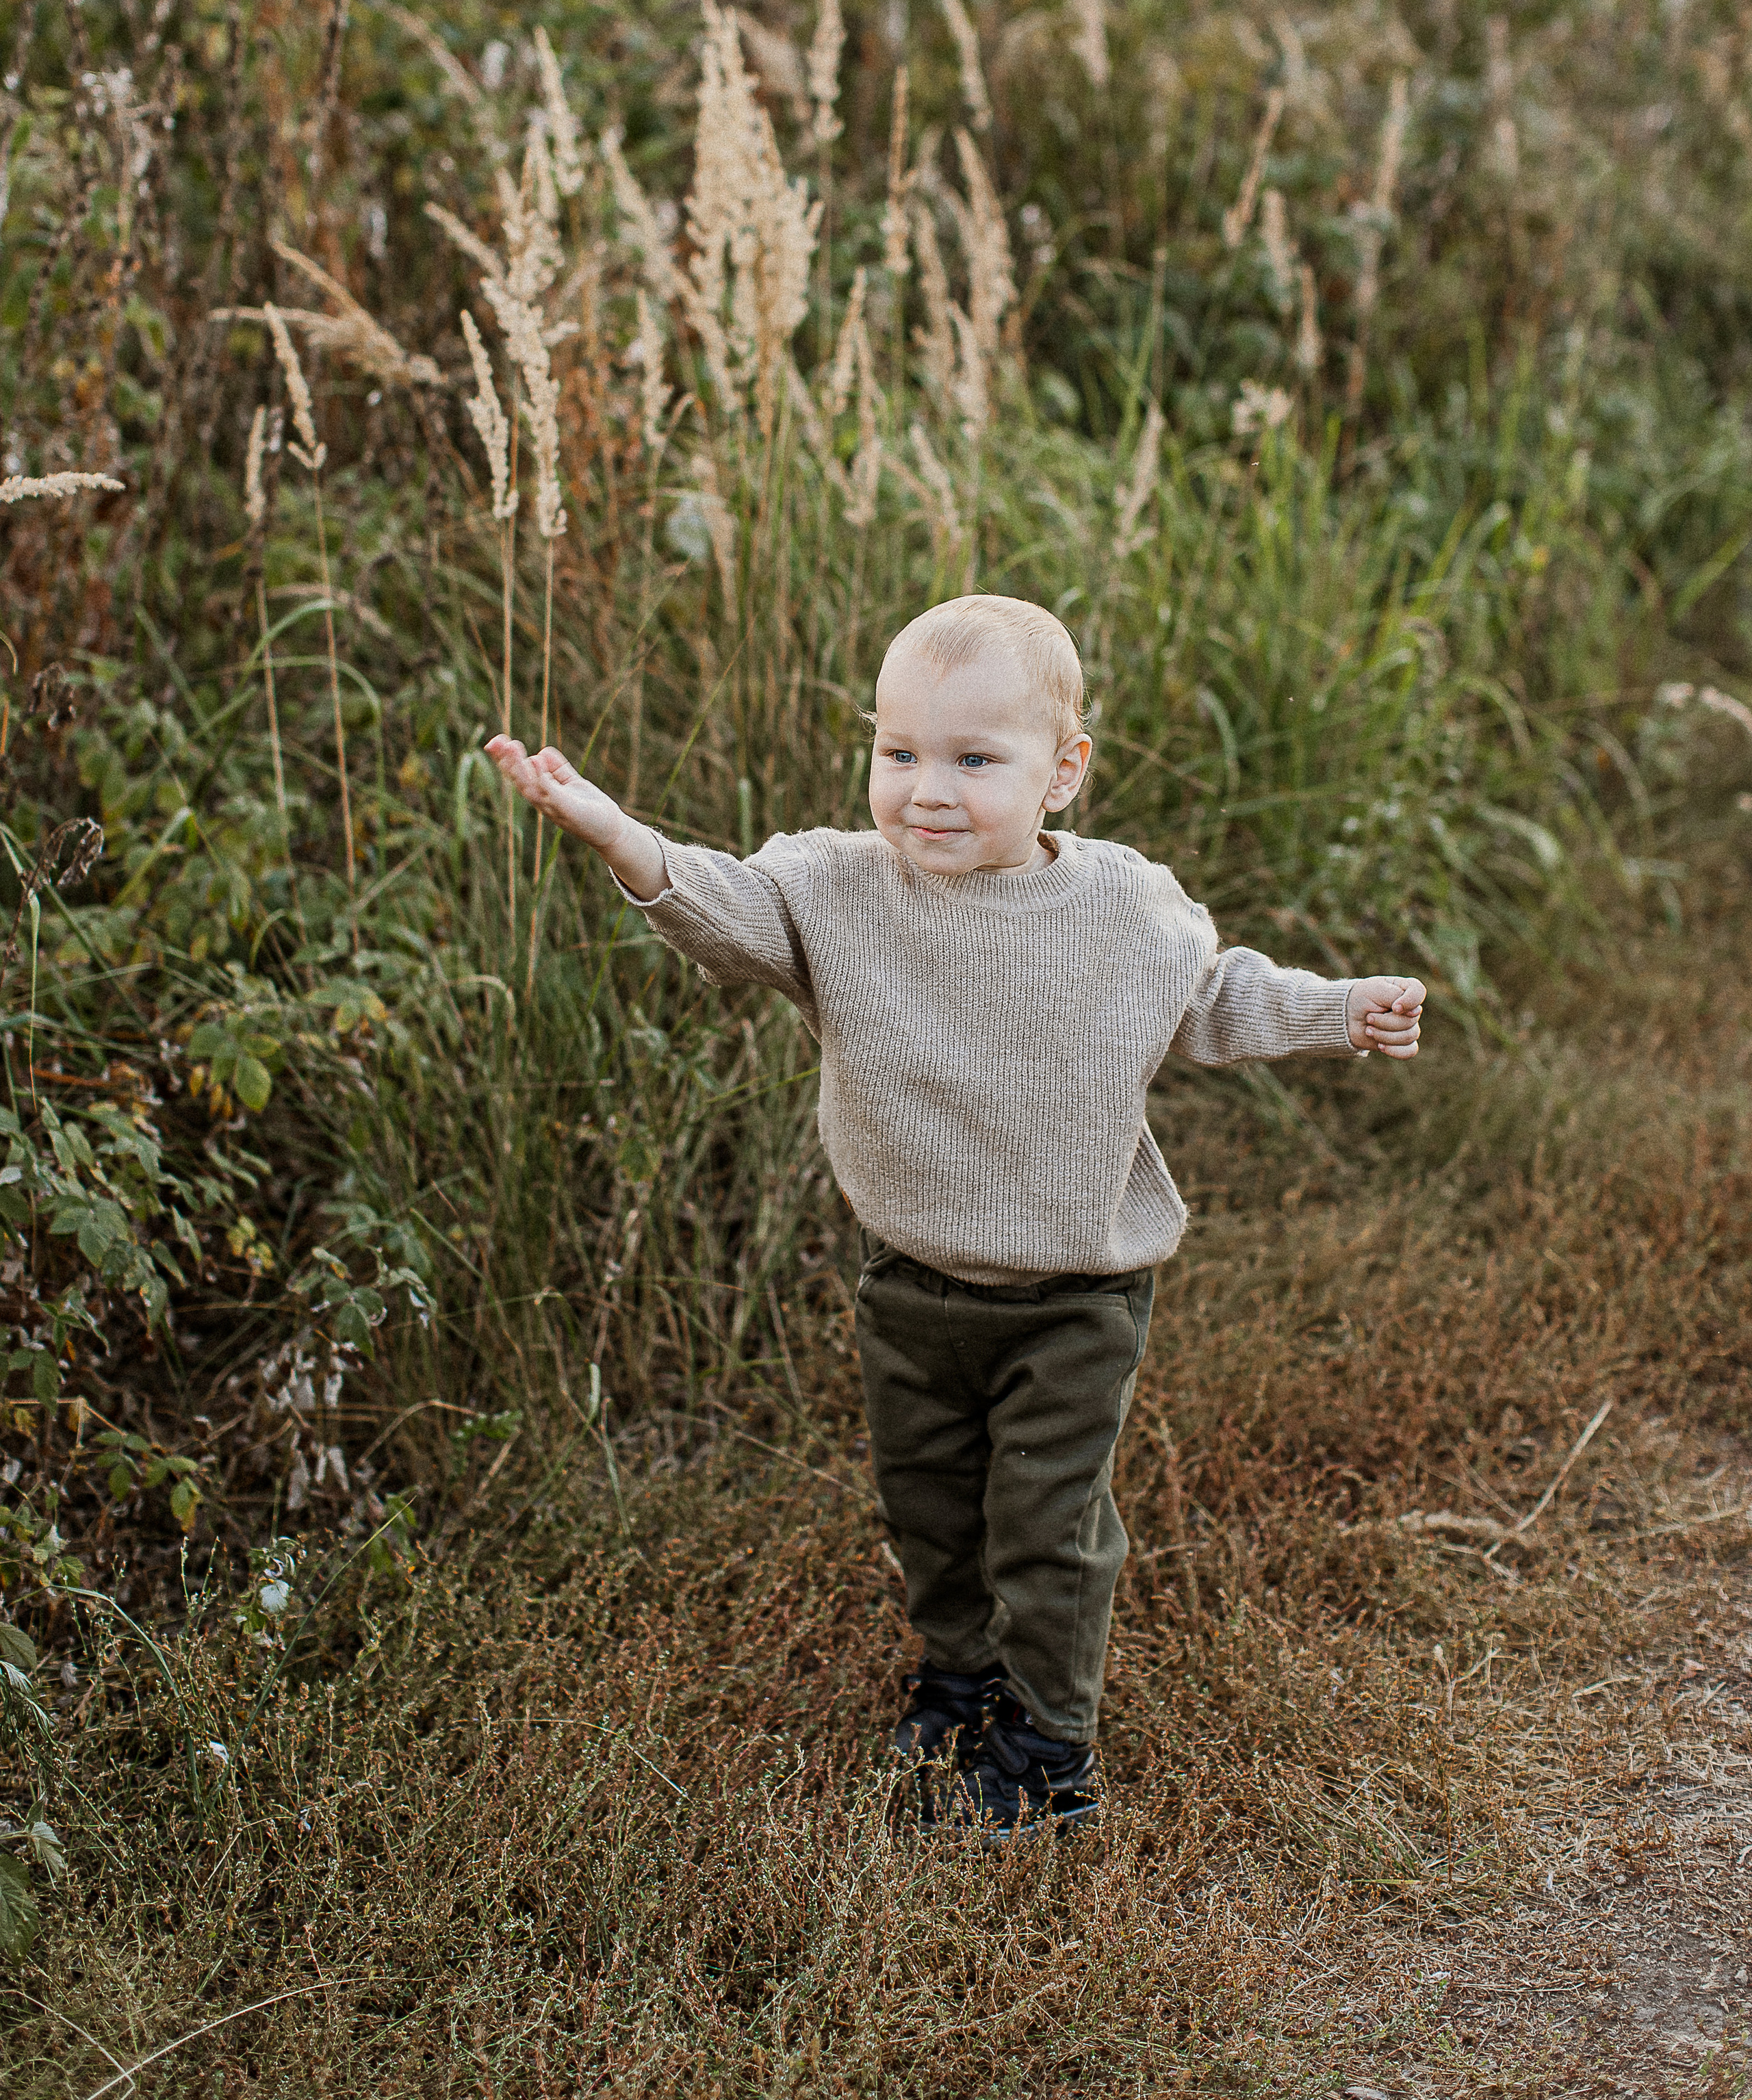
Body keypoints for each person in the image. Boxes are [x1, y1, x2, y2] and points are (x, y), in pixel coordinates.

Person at [485, 594, 1424, 1834]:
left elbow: (1210, 998)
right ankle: (960, 1676)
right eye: (900, 752)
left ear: (1063, 774)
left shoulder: (1122, 910)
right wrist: (615, 832)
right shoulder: (834, 889)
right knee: (929, 1503)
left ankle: (1047, 1743)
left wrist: (1338, 1007)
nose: (928, 789)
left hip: (1075, 1293)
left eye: (976, 761)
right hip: (911, 1282)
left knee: (1044, 1519)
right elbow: (724, 913)